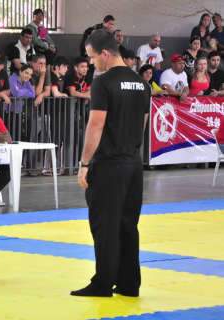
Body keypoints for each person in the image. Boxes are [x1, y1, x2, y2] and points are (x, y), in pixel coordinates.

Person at [71, 29, 150, 297]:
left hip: (108, 164)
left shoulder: (103, 82)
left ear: (105, 53)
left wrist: (84, 163)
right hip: (133, 164)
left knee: (105, 224)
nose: (92, 62)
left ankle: (103, 282)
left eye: (93, 57)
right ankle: (129, 283)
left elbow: (96, 125)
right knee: (128, 223)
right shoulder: (141, 82)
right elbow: (143, 123)